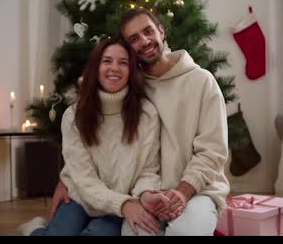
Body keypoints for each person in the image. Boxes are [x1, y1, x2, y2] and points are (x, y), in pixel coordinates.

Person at [49, 8, 230, 236]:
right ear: (128, 48)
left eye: (148, 31)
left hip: (197, 191)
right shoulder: (129, 86)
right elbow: (98, 131)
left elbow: (213, 152)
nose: (144, 41)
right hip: (146, 194)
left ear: (161, 32)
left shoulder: (202, 82)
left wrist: (183, 192)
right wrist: (66, 178)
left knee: (184, 233)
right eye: (133, 39)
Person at [17, 37, 169, 236]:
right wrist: (123, 205)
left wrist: (144, 195)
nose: (114, 68)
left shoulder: (147, 114)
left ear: (131, 70)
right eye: (107, 61)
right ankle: (34, 230)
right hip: (81, 197)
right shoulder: (73, 115)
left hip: (120, 204)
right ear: (95, 67)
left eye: (123, 63)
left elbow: (149, 171)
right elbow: (83, 179)